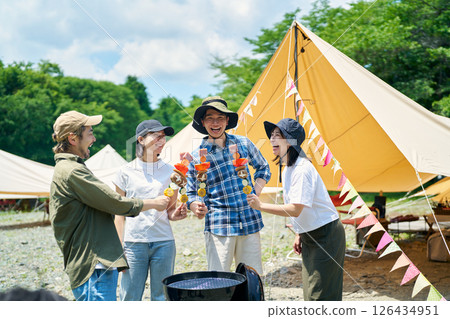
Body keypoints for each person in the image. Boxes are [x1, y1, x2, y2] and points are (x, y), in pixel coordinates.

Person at [50, 110, 170, 301]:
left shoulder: (72, 168)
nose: (94, 138)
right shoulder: (72, 171)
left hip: (96, 261)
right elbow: (113, 202)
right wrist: (152, 203)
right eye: (90, 133)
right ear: (73, 138)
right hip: (93, 264)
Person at [247, 118, 346, 301]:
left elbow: (295, 209)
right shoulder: (288, 169)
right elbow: (300, 206)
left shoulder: (301, 169)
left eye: (278, 135)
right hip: (310, 234)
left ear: (291, 141)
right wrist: (299, 233)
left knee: (321, 295)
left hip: (326, 234)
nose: (272, 139)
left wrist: (260, 206)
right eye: (272, 135)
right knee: (311, 292)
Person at [186, 96, 271, 275]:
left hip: (249, 220)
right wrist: (195, 206)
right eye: (210, 118)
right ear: (202, 122)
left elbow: (263, 167)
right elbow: (191, 191)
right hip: (219, 224)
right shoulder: (196, 157)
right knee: (219, 279)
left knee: (252, 278)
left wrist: (255, 190)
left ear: (227, 121)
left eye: (220, 118)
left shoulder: (243, 143)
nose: (215, 123)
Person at [114, 120, 187, 301]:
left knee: (161, 298)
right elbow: (118, 214)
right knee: (130, 297)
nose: (162, 141)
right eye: (157, 136)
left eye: (163, 137)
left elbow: (169, 211)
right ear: (140, 139)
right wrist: (118, 250)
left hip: (164, 242)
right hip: (133, 244)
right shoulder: (125, 172)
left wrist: (176, 214)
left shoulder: (171, 172)